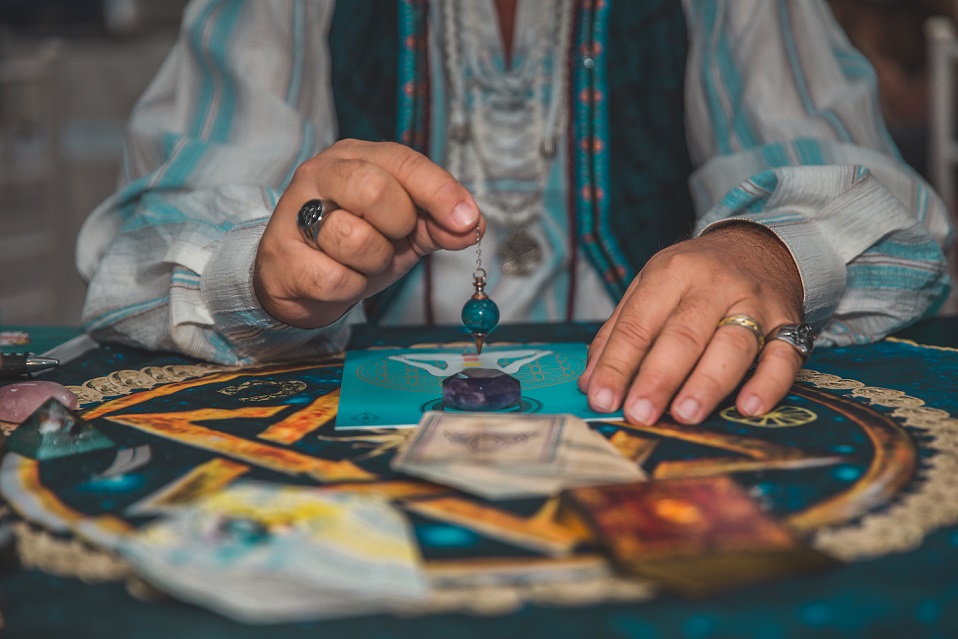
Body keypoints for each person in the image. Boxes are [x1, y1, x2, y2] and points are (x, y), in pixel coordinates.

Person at [76, 0, 952, 428]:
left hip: (654, 426)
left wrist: (769, 253)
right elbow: (140, 248)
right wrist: (260, 273)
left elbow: (891, 219)